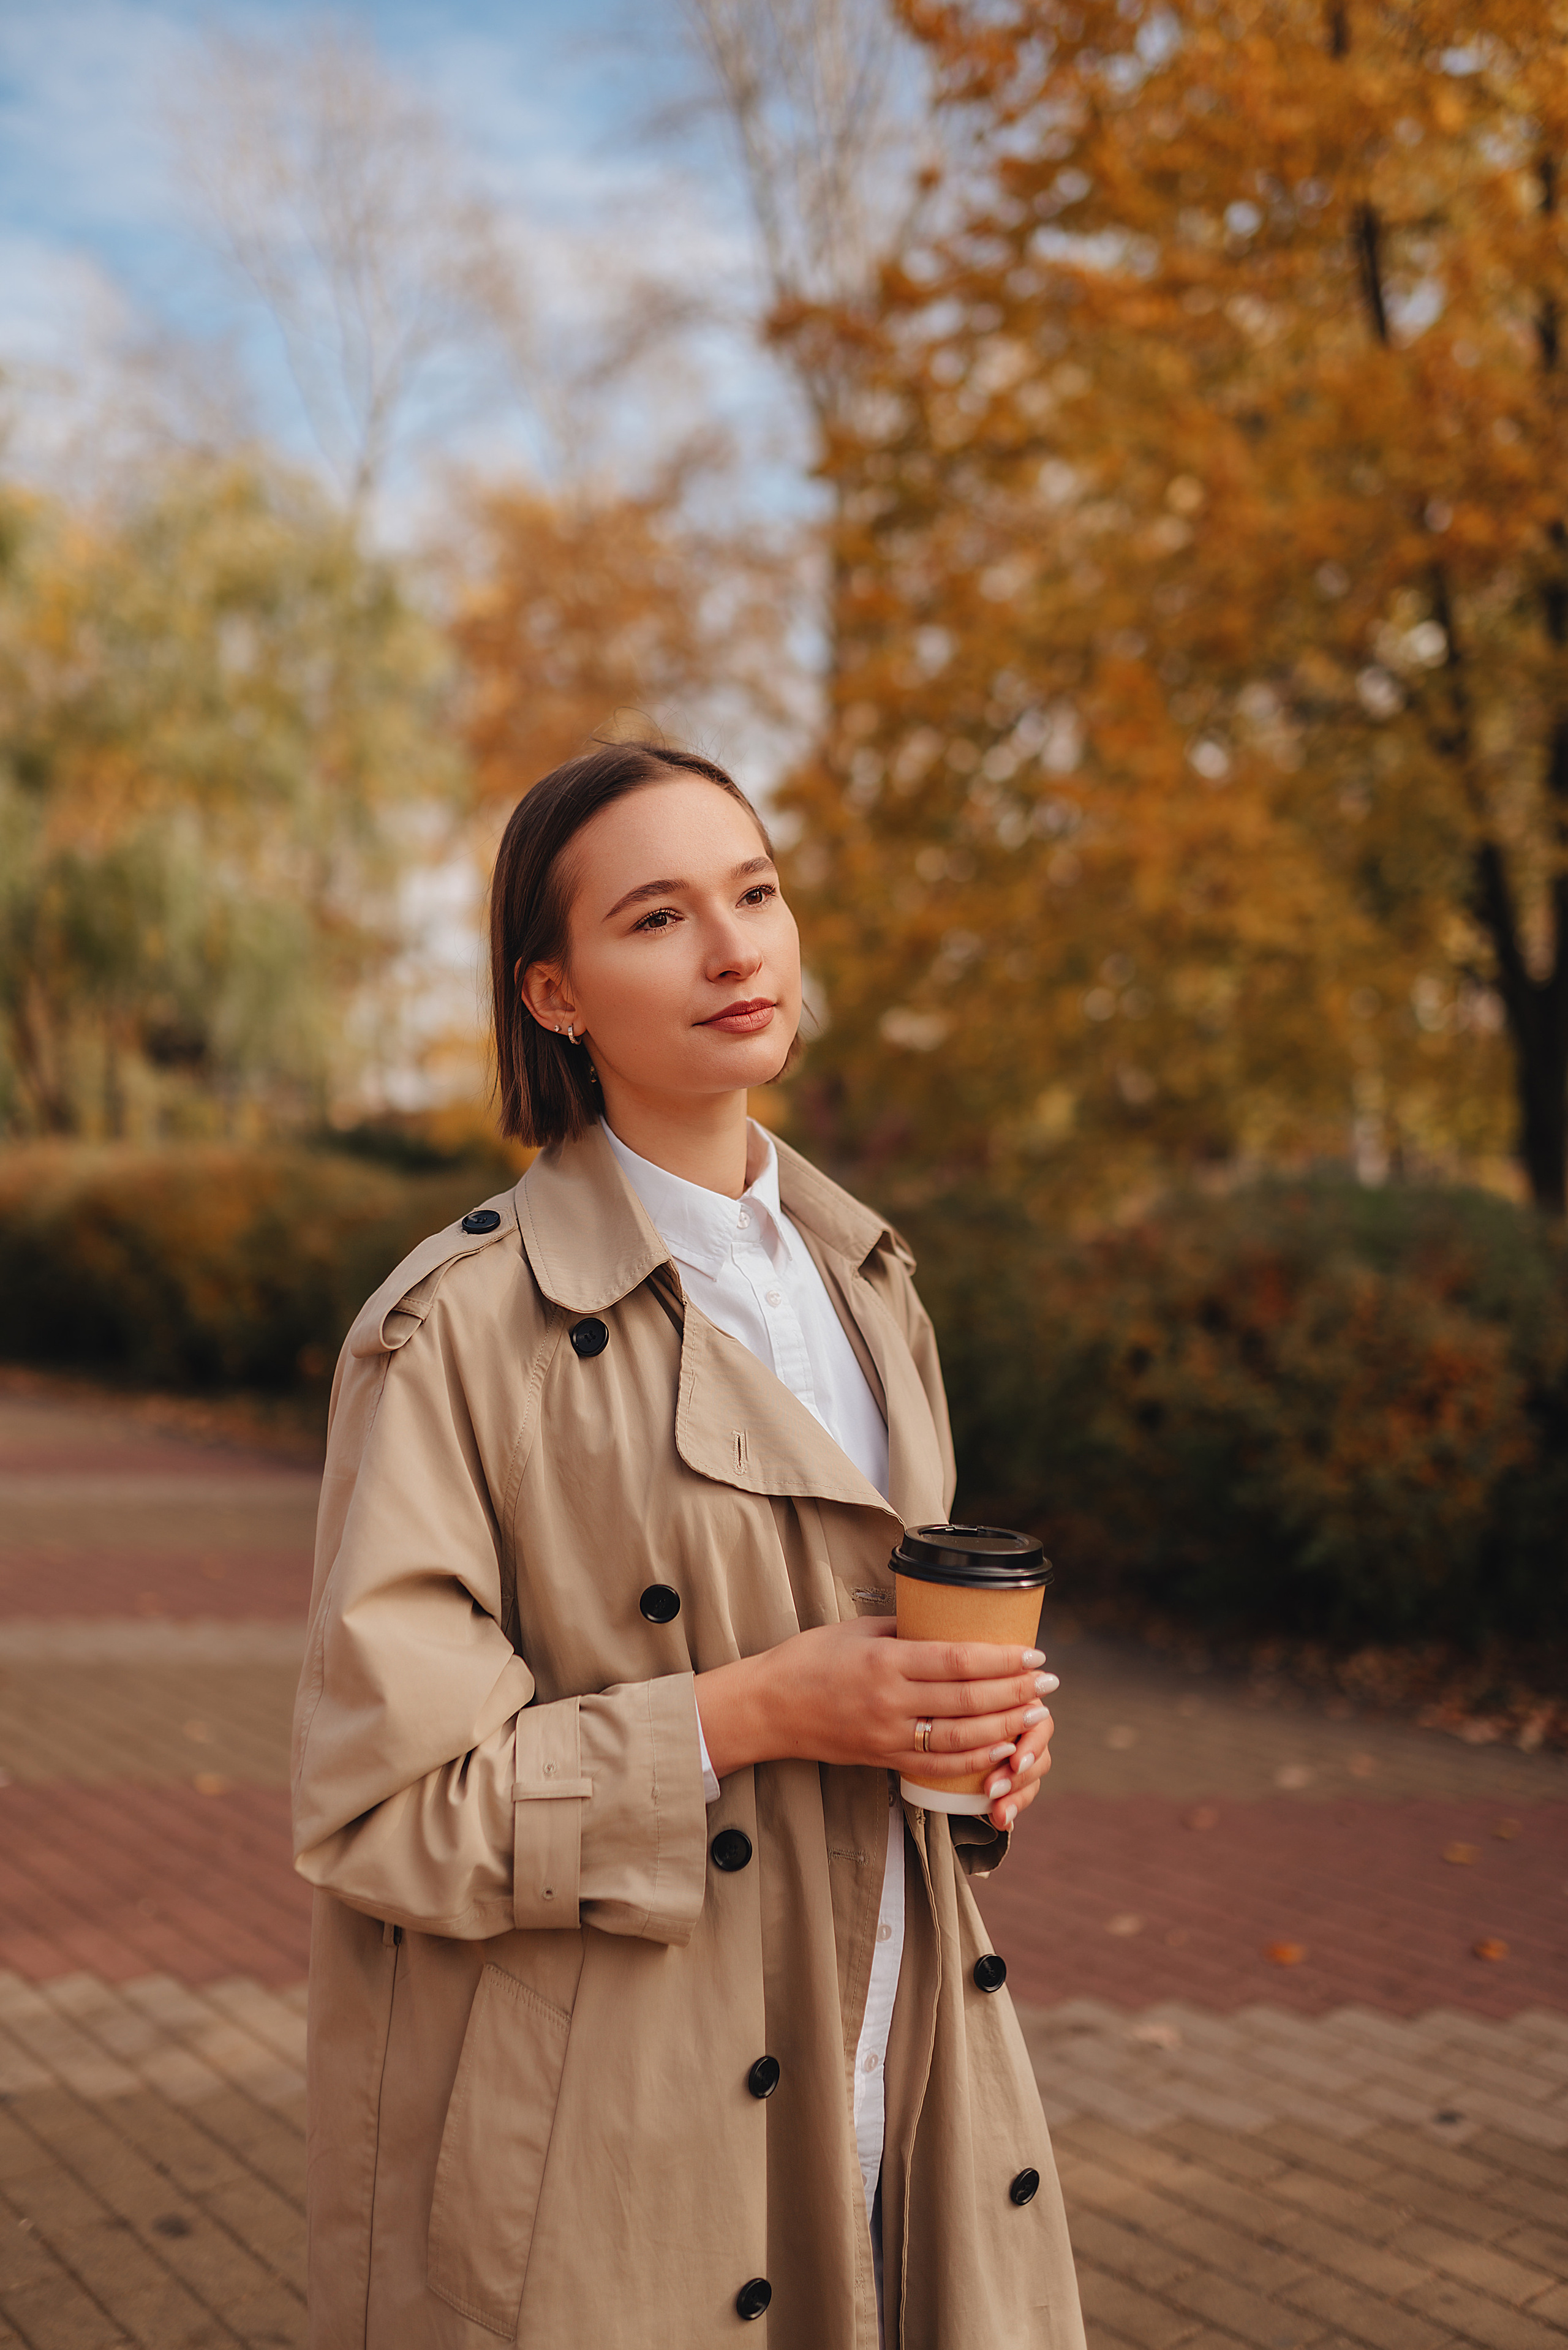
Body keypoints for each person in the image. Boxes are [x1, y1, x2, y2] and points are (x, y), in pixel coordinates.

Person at [292, 741, 1085, 2350]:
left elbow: (885, 1657)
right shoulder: (456, 1334)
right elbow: (385, 1812)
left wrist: (978, 1737)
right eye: (658, 917)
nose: (736, 949)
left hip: (900, 2058)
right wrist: (762, 1711)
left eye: (758, 893)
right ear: (556, 994)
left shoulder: (873, 1284)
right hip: (626, 2116)